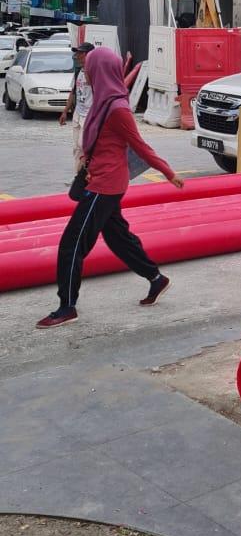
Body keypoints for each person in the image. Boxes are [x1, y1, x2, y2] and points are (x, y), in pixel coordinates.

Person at [37, 46, 184, 329]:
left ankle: (67, 307)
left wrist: (168, 173)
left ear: (100, 71)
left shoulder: (117, 108)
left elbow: (141, 146)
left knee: (71, 244)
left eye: (89, 68)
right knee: (118, 238)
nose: (86, 73)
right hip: (102, 180)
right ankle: (156, 279)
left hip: (106, 186)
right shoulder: (103, 100)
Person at [59, 42, 95, 173]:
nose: (77, 56)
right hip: (78, 113)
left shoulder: (94, 71)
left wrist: (87, 66)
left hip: (89, 115)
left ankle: (88, 173)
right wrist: (65, 112)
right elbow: (73, 92)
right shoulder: (78, 72)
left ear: (89, 55)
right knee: (76, 147)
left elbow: (92, 84)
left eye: (81, 53)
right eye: (77, 53)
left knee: (83, 145)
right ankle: (77, 176)